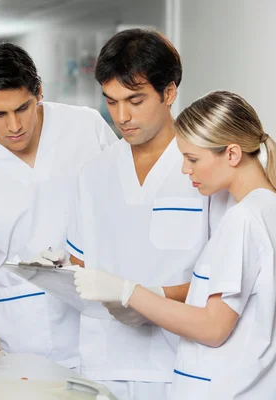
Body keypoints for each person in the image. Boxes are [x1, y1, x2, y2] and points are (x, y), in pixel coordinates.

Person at [74, 90, 276, 399]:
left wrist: (128, 292)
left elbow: (213, 328)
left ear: (232, 154)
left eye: (192, 158)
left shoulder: (244, 219)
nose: (185, 169)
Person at [0, 42, 118, 368]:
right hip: (14, 333)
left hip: (99, 318)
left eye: (23, 108)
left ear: (39, 91)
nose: (14, 126)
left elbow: (122, 207)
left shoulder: (86, 128)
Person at [64, 28, 223, 400]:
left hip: (183, 365)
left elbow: (226, 280)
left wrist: (145, 297)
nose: (122, 116)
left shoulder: (205, 170)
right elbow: (79, 265)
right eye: (111, 101)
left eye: (135, 100)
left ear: (169, 92)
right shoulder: (93, 173)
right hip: (103, 363)